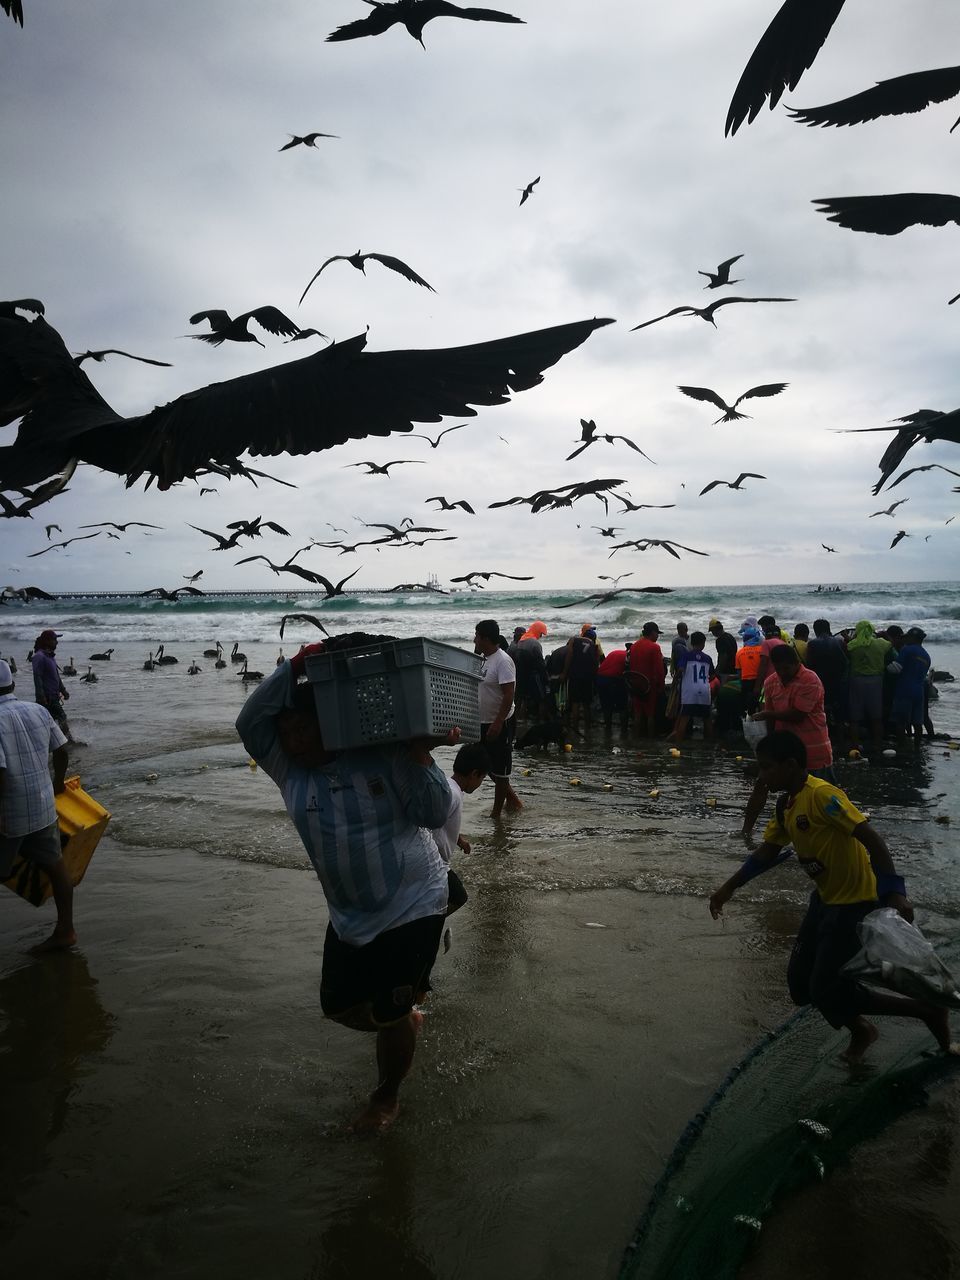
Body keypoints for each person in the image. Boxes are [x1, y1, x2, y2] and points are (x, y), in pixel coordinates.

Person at [236, 634, 460, 1132]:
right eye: (287, 730)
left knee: (391, 1014)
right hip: (350, 915)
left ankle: (386, 1097)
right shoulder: (289, 771)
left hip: (415, 901)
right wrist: (300, 662)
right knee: (339, 1007)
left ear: (334, 725)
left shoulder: (383, 754)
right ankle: (402, 1013)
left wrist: (421, 755)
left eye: (304, 728)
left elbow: (432, 811)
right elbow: (250, 720)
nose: (293, 740)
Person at [710, 731, 957, 1063]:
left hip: (855, 904)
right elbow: (766, 853)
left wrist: (895, 892)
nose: (762, 775)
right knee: (801, 987)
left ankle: (921, 1012)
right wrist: (728, 888)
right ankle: (870, 984)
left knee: (823, 988)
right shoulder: (785, 805)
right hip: (824, 901)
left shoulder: (823, 796)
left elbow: (873, 841)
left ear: (791, 765)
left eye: (767, 768)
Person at [0, 658, 74, 952]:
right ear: (13, 684)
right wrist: (57, 785)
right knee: (56, 868)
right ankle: (66, 931)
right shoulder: (38, 710)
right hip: (43, 809)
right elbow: (62, 750)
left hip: (9, 816)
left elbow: (1, 774)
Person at [741, 643, 835, 838]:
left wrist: (767, 713)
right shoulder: (771, 682)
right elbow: (771, 719)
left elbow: (798, 714)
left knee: (822, 795)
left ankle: (828, 835)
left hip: (812, 747)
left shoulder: (811, 680)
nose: (783, 673)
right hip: (783, 748)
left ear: (796, 663)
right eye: (779, 668)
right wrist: (765, 746)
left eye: (787, 668)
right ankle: (746, 831)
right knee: (762, 784)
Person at [431, 742, 490, 945]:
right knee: (459, 897)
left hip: (437, 863)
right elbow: (431, 823)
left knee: (452, 898)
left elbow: (444, 822)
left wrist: (460, 840)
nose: (480, 783)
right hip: (436, 864)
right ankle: (427, 924)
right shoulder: (453, 795)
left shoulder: (450, 786)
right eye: (482, 778)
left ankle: (427, 921)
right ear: (474, 774)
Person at [473, 620, 521, 817]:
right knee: (484, 764)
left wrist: (498, 723)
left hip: (500, 722)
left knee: (500, 771)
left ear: (485, 638)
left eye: (476, 636)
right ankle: (514, 800)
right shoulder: (484, 659)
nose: (474, 639)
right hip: (482, 722)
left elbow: (509, 694)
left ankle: (496, 815)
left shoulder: (503, 660)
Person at [846, 620, 894, 751]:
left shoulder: (852, 645)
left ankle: (855, 745)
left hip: (856, 681)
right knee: (876, 717)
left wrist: (850, 638)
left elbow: (848, 649)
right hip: (876, 681)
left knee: (854, 718)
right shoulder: (881, 644)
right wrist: (884, 635)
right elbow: (891, 644)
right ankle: (877, 744)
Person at [667, 631, 715, 742]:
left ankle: (678, 745)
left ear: (691, 643)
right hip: (704, 691)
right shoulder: (708, 658)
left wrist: (676, 680)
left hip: (689, 692)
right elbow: (712, 676)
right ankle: (710, 745)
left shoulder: (686, 656)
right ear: (703, 643)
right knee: (707, 719)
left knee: (684, 718)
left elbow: (680, 670)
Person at [805, 618, 849, 738]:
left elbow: (809, 666)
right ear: (828, 629)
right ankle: (841, 742)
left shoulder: (812, 644)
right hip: (838, 682)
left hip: (821, 683)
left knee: (822, 712)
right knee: (839, 714)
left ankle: (826, 738)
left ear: (815, 630)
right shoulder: (839, 642)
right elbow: (847, 662)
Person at [30, 628, 74, 743]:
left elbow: (56, 676)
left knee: (50, 721)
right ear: (47, 641)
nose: (57, 642)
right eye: (55, 639)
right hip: (47, 698)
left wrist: (63, 690)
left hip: (53, 696)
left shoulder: (50, 656)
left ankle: (55, 741)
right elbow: (37, 677)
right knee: (61, 717)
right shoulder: (39, 656)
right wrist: (41, 697)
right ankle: (67, 741)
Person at [890, 627, 932, 748]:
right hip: (919, 691)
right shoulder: (926, 656)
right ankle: (917, 748)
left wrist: (884, 667)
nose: (906, 639)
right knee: (917, 722)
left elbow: (896, 668)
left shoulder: (907, 649)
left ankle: (902, 747)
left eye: (908, 637)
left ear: (913, 638)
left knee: (901, 721)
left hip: (905, 689)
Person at [627, 622, 665, 737]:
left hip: (635, 684)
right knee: (650, 714)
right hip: (649, 685)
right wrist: (661, 687)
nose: (658, 636)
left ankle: (637, 737)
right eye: (657, 634)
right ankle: (650, 738)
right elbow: (659, 670)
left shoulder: (634, 646)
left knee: (638, 713)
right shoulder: (654, 647)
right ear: (652, 633)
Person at [561, 625, 599, 731]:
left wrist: (564, 672)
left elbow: (569, 655)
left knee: (575, 702)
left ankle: (575, 727)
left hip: (575, 675)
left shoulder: (574, 640)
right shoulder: (593, 645)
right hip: (588, 677)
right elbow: (595, 663)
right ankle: (587, 727)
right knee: (586, 703)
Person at [510, 621, 549, 720]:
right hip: (534, 675)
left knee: (524, 699)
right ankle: (542, 721)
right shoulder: (535, 643)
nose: (541, 636)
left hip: (522, 675)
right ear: (537, 631)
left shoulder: (521, 641)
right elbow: (540, 662)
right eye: (541, 633)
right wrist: (545, 678)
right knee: (542, 699)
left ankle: (519, 720)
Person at [595, 641, 631, 732]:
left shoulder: (615, 652)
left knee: (607, 706)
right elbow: (630, 674)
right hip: (614, 680)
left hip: (600, 679)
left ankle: (608, 728)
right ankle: (624, 730)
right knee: (622, 707)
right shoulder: (629, 656)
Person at [734, 623, 764, 715]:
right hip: (760, 682)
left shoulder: (739, 653)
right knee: (760, 706)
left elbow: (739, 672)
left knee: (747, 708)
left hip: (745, 682)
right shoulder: (762, 650)